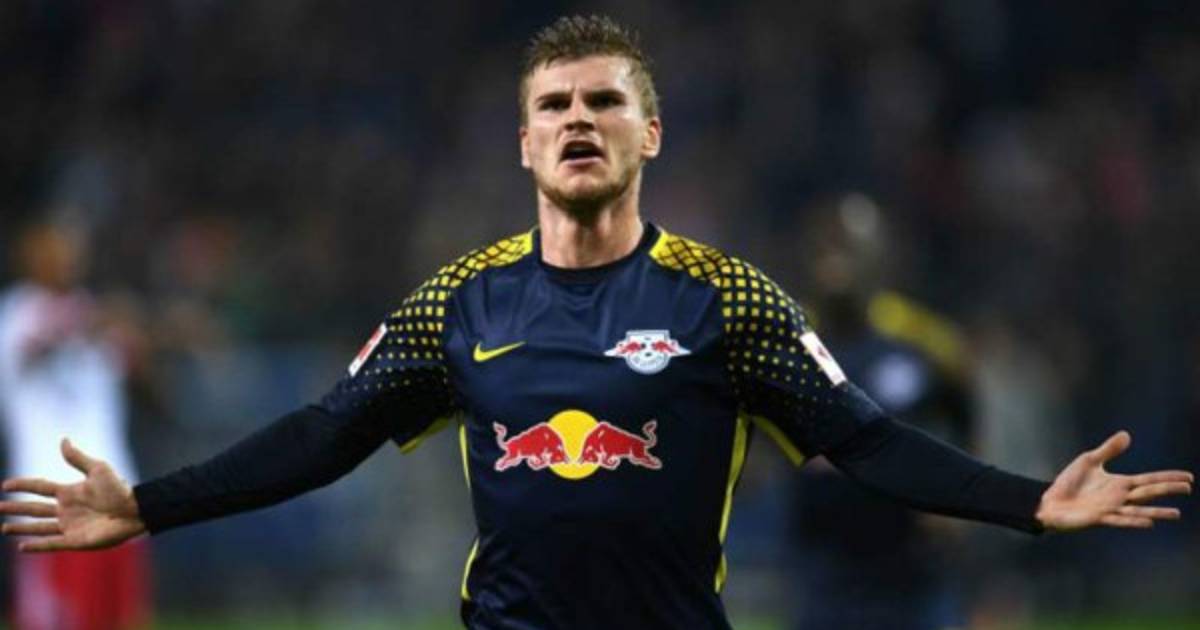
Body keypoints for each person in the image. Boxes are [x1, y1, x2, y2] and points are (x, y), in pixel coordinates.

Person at [0, 15, 1192, 630]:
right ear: (524, 142)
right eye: (556, 105)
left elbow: (868, 440)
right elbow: (322, 435)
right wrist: (149, 506)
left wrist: (1030, 503)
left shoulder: (729, 299)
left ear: (649, 133)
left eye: (606, 102)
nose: (580, 119)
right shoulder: (459, 301)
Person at [789, 197, 977, 629]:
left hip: (910, 572)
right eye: (824, 247)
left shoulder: (925, 342)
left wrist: (957, 506)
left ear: (879, 256)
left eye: (847, 245)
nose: (835, 260)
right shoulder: (785, 340)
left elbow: (964, 415)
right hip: (824, 567)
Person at [0, 222, 151, 630]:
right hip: (50, 501)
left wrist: (141, 341)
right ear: (30, 258)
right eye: (54, 251)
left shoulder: (95, 313)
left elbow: (144, 378)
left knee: (121, 620)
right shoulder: (15, 313)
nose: (65, 260)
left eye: (71, 251)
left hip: (116, 492)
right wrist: (91, 323)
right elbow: (32, 350)